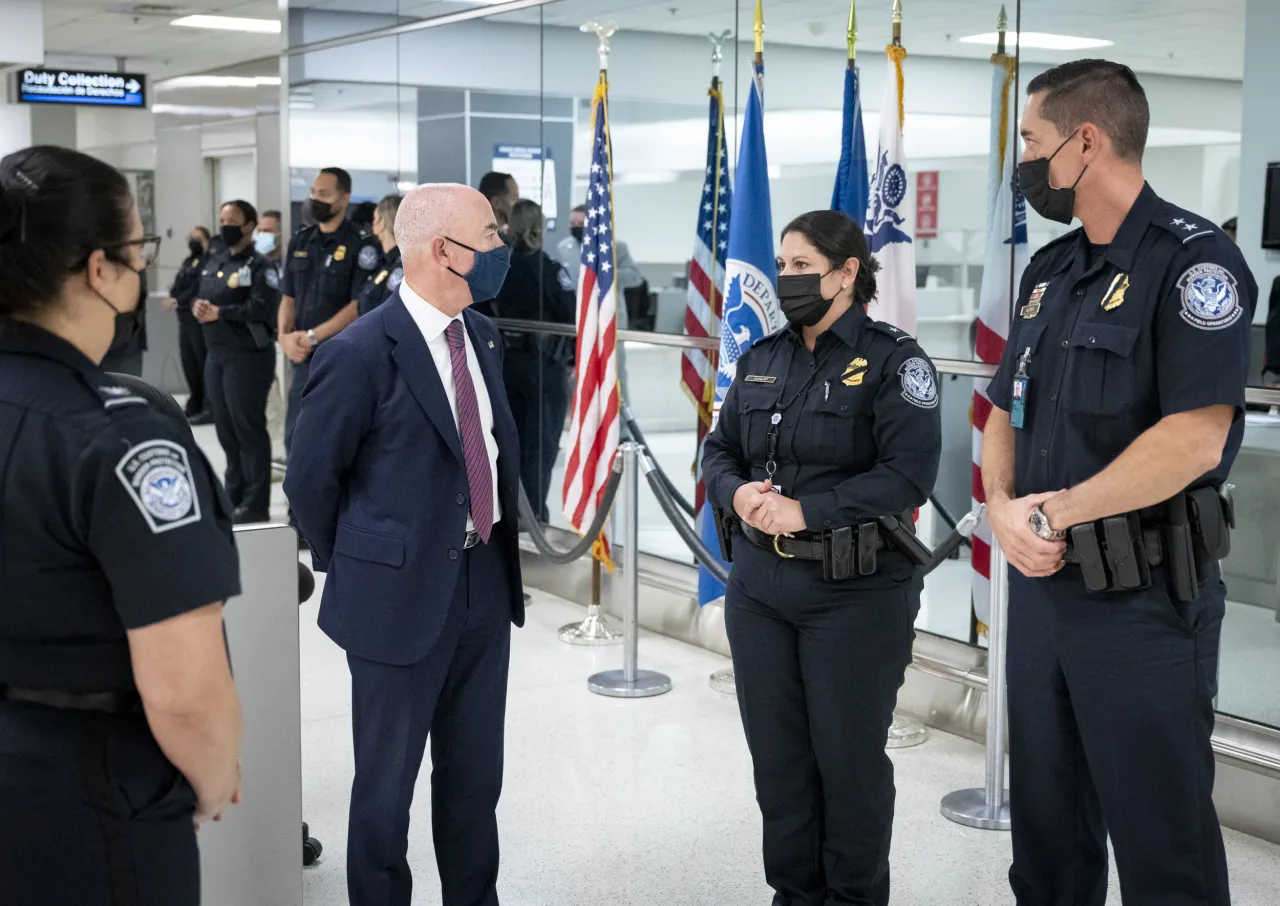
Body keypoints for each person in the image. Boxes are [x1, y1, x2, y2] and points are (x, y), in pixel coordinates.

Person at [982, 60, 1255, 906]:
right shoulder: (1049, 272)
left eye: (1032, 141)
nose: (1024, 161)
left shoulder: (1195, 263)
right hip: (1043, 596)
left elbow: (1195, 439)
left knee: (1161, 846)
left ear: (1085, 140)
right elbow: (1003, 411)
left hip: (1141, 603)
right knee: (1049, 843)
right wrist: (998, 509)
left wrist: (1056, 511)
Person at [0, 145, 243, 905]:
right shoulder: (123, 438)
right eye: (140, 252)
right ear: (100, 270)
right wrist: (207, 779)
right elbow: (184, 688)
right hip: (83, 790)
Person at [285, 183, 524, 906]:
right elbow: (309, 482)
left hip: (482, 584)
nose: (500, 249)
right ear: (441, 251)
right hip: (395, 597)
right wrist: (365, 559)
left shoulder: (481, 334)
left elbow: (488, 449)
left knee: (474, 778)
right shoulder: (359, 352)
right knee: (386, 788)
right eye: (489, 236)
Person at [701, 209, 942, 906]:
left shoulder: (897, 361)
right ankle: (796, 894)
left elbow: (908, 475)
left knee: (848, 766)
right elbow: (719, 450)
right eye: (781, 266)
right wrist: (739, 492)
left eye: (802, 267)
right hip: (761, 589)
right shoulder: (762, 357)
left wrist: (809, 510)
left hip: (855, 592)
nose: (786, 278)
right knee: (779, 765)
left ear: (847, 273)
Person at [277, 166, 379, 454]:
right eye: (313, 193)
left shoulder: (362, 244)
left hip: (340, 354)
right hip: (302, 356)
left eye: (324, 194)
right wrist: (284, 338)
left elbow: (359, 305)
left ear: (344, 198)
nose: (315, 200)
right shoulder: (301, 240)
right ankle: (297, 499)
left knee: (334, 439)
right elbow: (288, 295)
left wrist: (312, 336)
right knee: (296, 435)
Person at [194, 199, 280, 524]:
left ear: (249, 225)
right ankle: (234, 495)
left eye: (232, 220)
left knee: (248, 429)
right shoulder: (216, 261)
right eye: (222, 219)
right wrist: (200, 308)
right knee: (225, 431)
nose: (225, 225)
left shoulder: (260, 266)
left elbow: (262, 307)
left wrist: (222, 313)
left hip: (248, 357)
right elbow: (204, 295)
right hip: (216, 354)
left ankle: (255, 502)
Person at [491, 198, 575, 521]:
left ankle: (508, 517)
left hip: (505, 368)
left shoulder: (499, 269)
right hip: (543, 369)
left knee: (507, 448)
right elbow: (571, 317)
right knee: (539, 452)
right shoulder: (550, 271)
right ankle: (533, 520)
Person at [164, 224, 213, 423]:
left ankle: (208, 407)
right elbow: (177, 285)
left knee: (203, 363)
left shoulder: (208, 262)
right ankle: (195, 403)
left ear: (207, 241)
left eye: (198, 238)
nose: (193, 241)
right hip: (184, 320)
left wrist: (179, 301)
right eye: (191, 237)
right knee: (189, 364)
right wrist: (173, 297)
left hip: (198, 320)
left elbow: (197, 289)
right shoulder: (187, 262)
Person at [355, 193, 403, 317]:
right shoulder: (384, 263)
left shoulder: (399, 267)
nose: (373, 225)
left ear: (382, 223)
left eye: (375, 219)